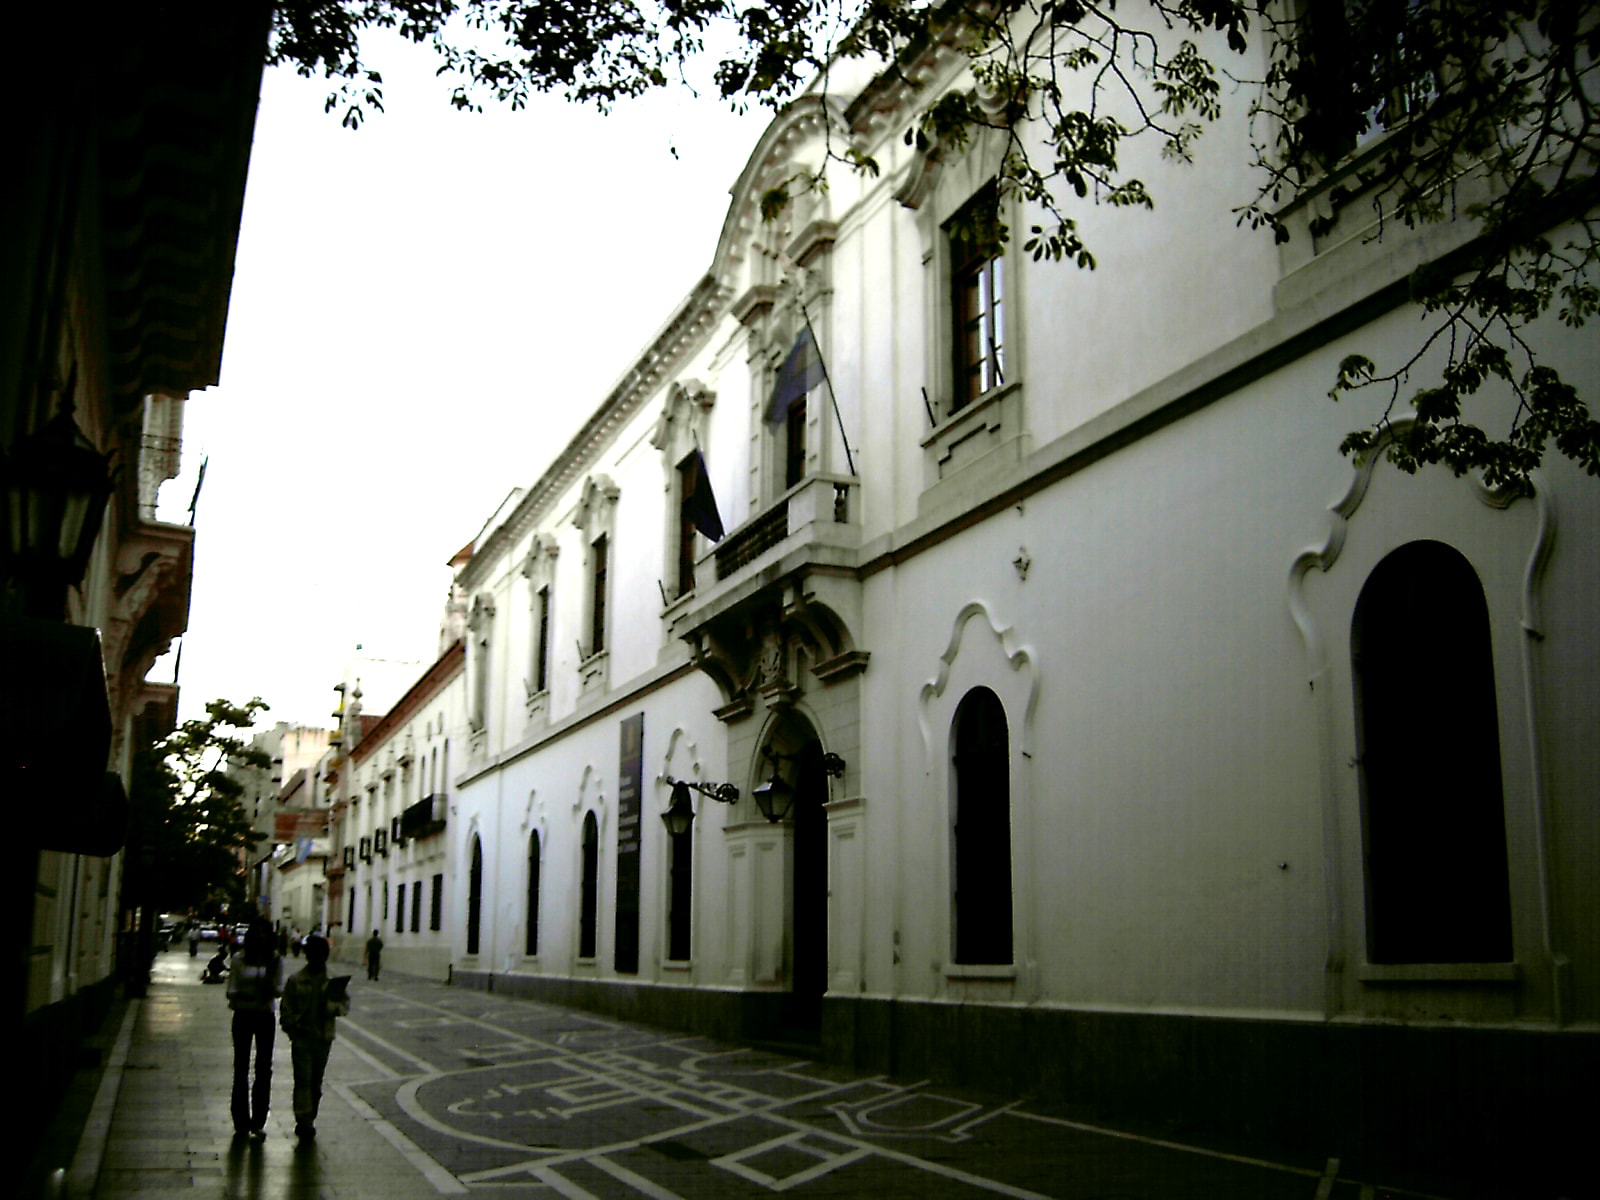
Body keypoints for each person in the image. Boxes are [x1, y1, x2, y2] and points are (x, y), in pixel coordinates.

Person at [279, 934, 349, 1141]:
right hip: (302, 1037)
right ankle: (304, 1119)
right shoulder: (296, 980)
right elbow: (286, 1009)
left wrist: (331, 1007)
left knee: (315, 1081)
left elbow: (344, 1006)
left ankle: (310, 1115)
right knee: (303, 1080)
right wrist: (293, 1028)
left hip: (323, 1037)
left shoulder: (332, 982)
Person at [226, 918, 282, 1138]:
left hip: (265, 1015)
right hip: (243, 1014)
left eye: (264, 933)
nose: (261, 937)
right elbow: (231, 989)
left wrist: (268, 988)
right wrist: (247, 994)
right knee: (241, 1067)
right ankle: (240, 1121)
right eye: (257, 933)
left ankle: (259, 1120)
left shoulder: (274, 960)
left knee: (264, 1067)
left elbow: (278, 988)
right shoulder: (239, 959)